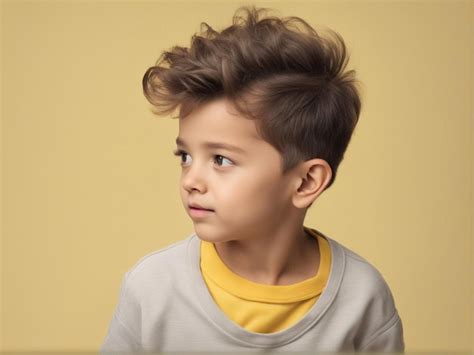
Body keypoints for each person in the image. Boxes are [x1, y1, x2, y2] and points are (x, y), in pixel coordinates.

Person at [100, 5, 404, 353]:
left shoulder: (363, 298)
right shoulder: (151, 287)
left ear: (306, 182)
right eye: (185, 156)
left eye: (221, 159)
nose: (191, 181)